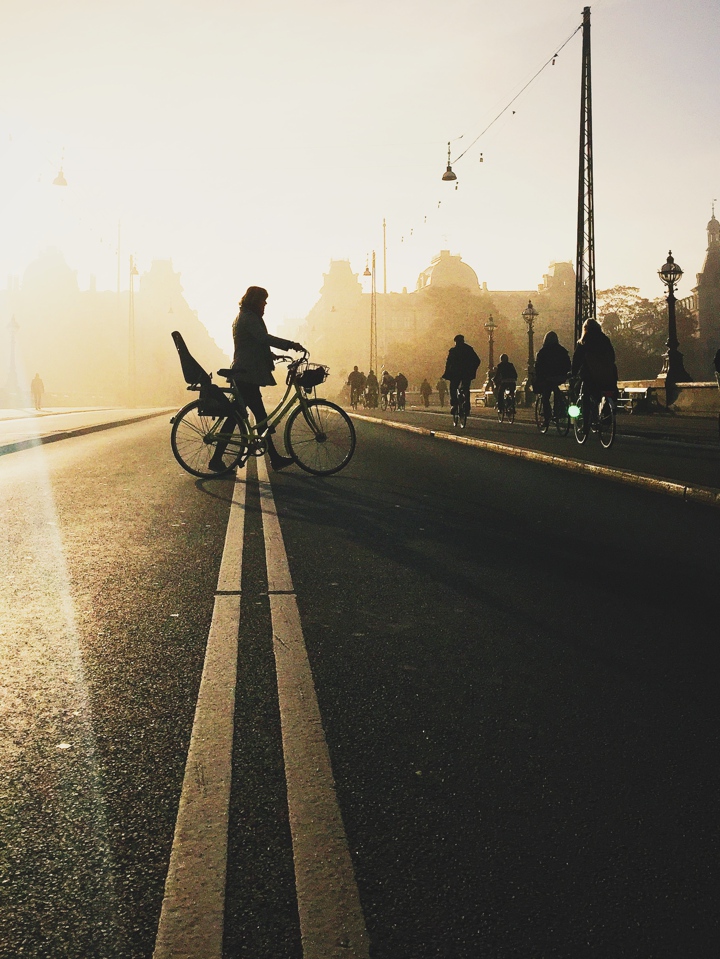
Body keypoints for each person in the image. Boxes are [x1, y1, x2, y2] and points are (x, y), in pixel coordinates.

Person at [209, 286, 305, 472]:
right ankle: (273, 458)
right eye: (263, 300)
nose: (265, 304)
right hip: (246, 374)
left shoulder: (243, 316)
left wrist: (272, 356)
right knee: (255, 417)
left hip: (245, 373)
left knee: (247, 418)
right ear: (255, 301)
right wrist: (290, 345)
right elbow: (262, 338)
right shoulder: (249, 318)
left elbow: (252, 343)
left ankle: (271, 458)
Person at [571, 318, 618, 410]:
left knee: (584, 394)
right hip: (608, 377)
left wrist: (573, 373)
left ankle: (586, 420)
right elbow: (612, 357)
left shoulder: (584, 342)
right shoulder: (605, 340)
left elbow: (577, 360)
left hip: (591, 378)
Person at [534, 331, 571, 426]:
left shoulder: (543, 352)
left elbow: (538, 367)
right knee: (556, 391)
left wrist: (539, 377)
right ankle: (559, 409)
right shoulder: (562, 350)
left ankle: (547, 417)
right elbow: (568, 364)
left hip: (548, 378)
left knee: (545, 397)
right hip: (560, 377)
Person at [442, 334, 481, 417]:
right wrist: (472, 369)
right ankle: (466, 405)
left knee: (453, 388)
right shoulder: (469, 349)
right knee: (466, 389)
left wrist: (447, 373)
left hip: (455, 374)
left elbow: (448, 363)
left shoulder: (453, 351)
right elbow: (477, 360)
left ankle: (454, 404)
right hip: (467, 373)